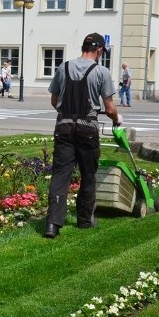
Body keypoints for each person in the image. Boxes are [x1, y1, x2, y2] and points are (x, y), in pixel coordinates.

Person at [43, 33, 122, 238]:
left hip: (64, 127)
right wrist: (116, 120)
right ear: (99, 50)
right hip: (88, 129)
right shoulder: (101, 72)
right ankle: (85, 220)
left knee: (61, 176)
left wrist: (67, 113)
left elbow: (54, 99)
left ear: (83, 47)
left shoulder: (63, 67)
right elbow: (109, 107)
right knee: (88, 175)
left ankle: (52, 224)